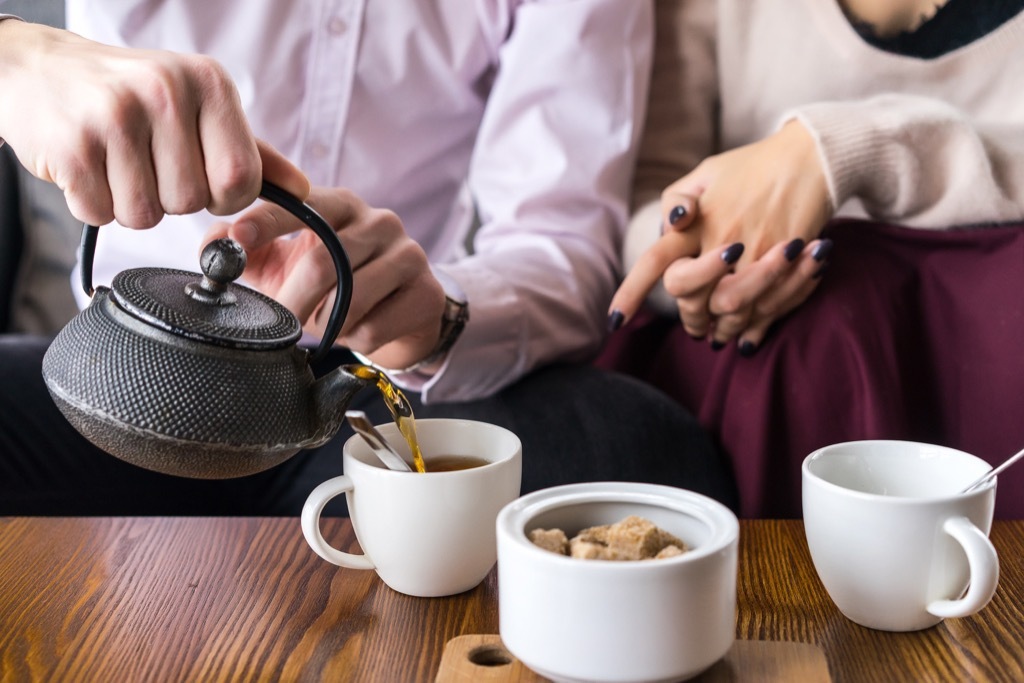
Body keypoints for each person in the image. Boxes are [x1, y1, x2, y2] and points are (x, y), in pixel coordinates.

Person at [0, 3, 739, 515]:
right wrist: (19, 56)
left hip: (361, 391)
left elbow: (562, 237)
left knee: (636, 449)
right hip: (113, 380)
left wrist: (438, 315)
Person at [597, 0, 1024, 518]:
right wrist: (697, 268)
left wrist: (839, 149)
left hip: (986, 337)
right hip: (771, 340)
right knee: (820, 329)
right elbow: (653, 199)